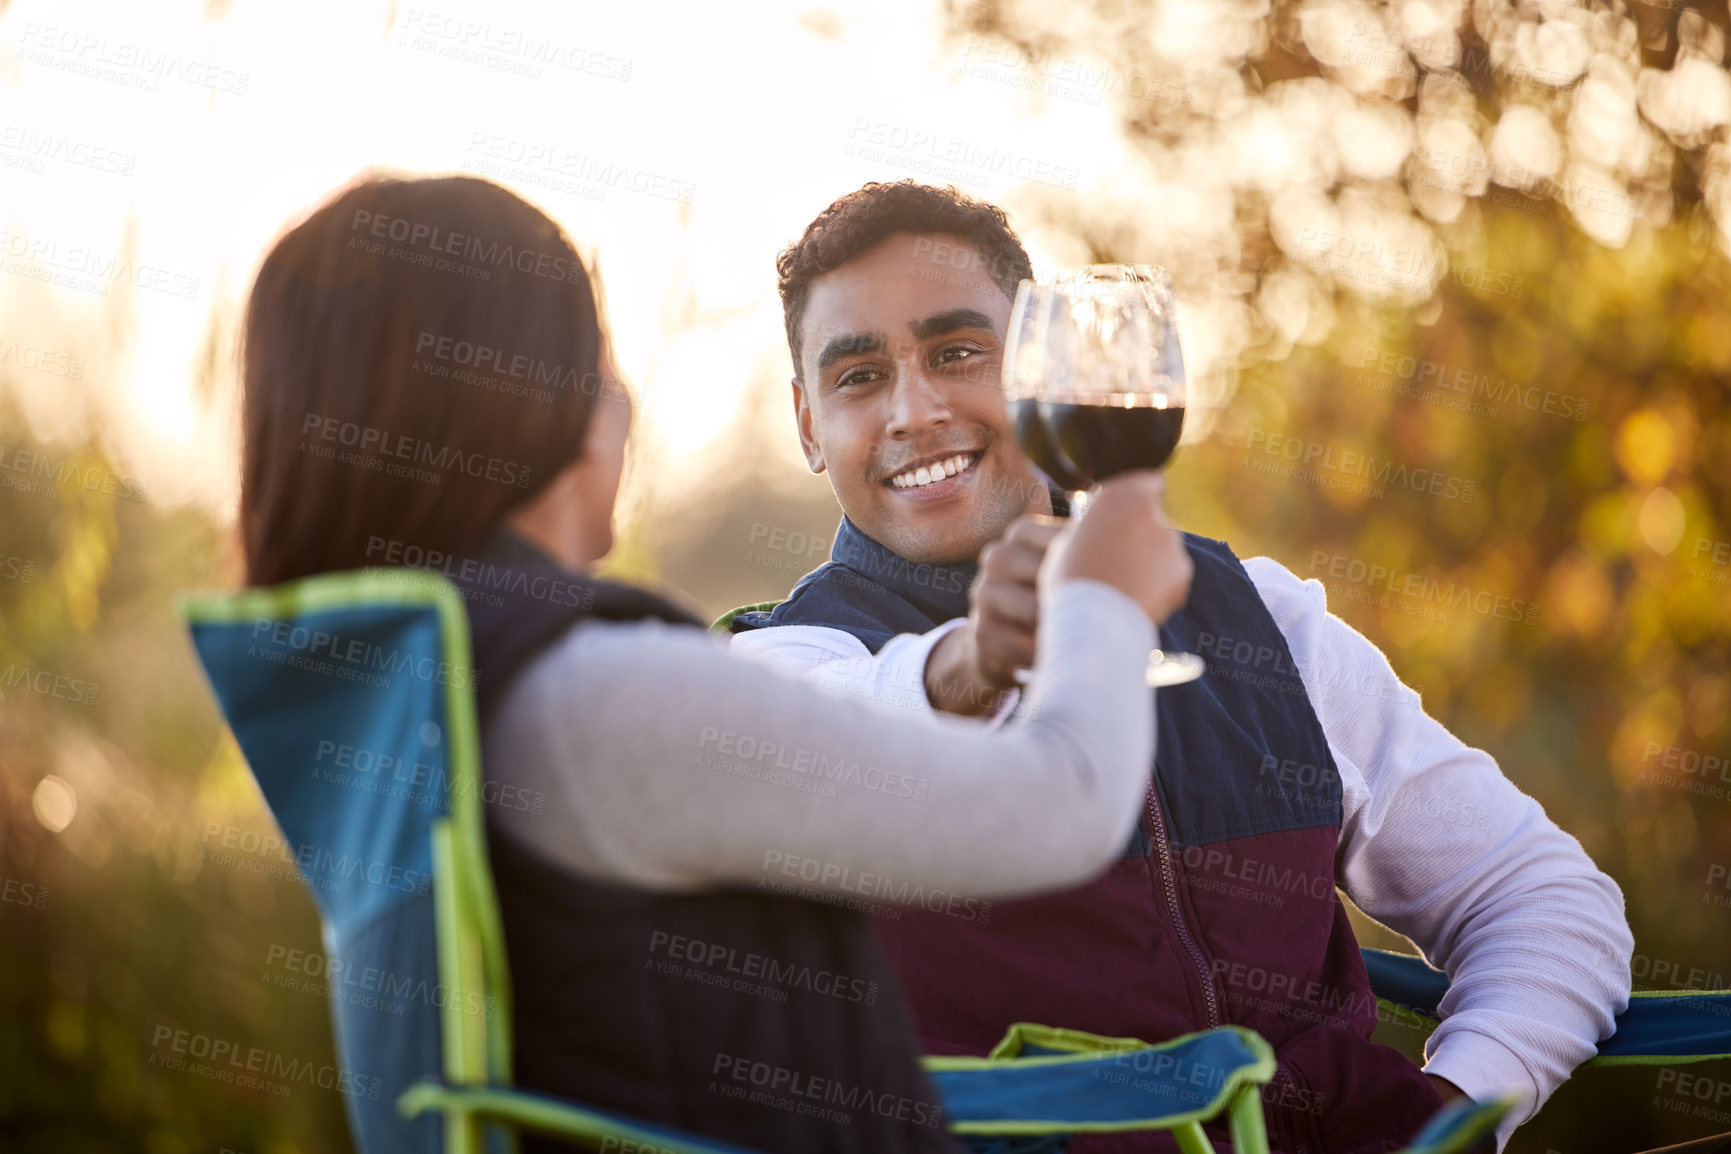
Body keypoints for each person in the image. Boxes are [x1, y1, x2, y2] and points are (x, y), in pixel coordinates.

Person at [237, 173, 1197, 1154]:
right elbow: (1064, 802)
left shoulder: (401, 683)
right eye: (598, 356)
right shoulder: (592, 699)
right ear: (530, 396)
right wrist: (1106, 597)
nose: (624, 397)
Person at [725, 180, 1635, 1153]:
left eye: (957, 352)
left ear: (1040, 371)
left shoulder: (1261, 619)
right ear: (810, 423)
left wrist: (1450, 1115)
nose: (914, 408)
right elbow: (851, 729)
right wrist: (981, 662)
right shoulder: (771, 671)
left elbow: (1543, 898)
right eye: (859, 376)